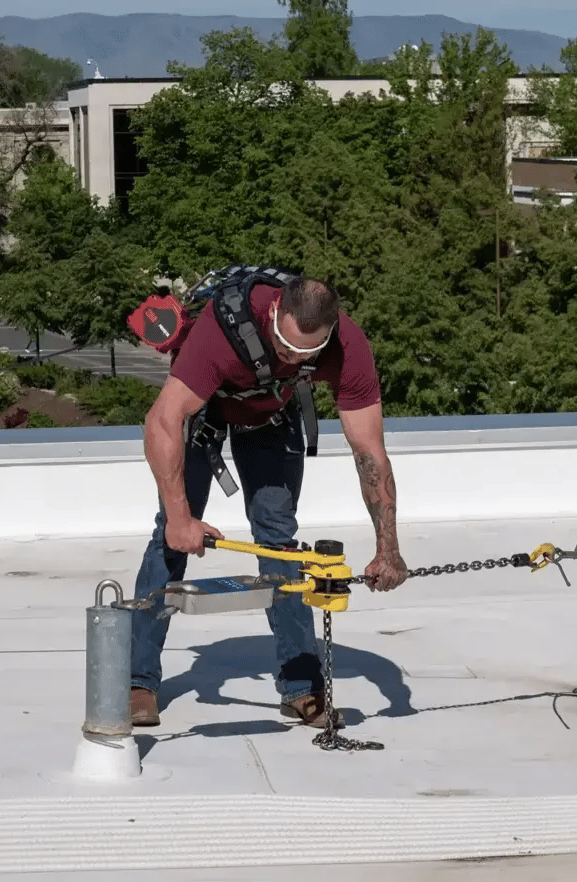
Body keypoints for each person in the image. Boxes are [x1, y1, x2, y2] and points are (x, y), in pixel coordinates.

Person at [130, 274, 409, 728]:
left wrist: (389, 547)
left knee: (280, 543)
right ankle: (137, 682)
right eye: (286, 348)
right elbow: (162, 419)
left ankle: (301, 687)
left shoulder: (346, 343)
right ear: (276, 311)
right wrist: (181, 517)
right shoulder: (223, 328)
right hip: (203, 411)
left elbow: (369, 452)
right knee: (170, 540)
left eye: (308, 355)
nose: (296, 359)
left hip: (271, 415)